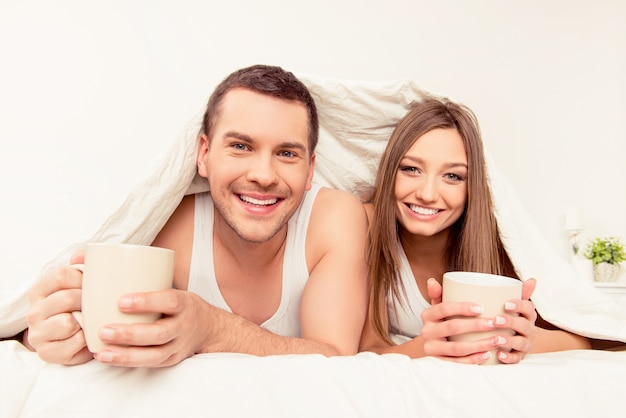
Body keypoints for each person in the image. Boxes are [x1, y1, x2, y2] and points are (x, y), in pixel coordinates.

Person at [24, 64, 369, 367]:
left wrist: (214, 328)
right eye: (240, 146)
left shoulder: (334, 220)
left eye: (287, 153)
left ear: (310, 170)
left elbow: (336, 357)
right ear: (203, 154)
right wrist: (50, 333)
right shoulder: (167, 226)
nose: (263, 175)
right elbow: (67, 326)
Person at [359, 98, 592, 364]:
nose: (427, 194)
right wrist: (430, 346)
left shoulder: (497, 242)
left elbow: (584, 337)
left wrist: (526, 339)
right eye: (411, 169)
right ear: (390, 171)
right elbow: (363, 349)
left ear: (473, 187)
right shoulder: (365, 224)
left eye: (453, 176)